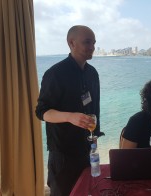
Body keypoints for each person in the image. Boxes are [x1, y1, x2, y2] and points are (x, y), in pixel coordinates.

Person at [35, 25, 103, 196]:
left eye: (94, 43)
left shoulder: (92, 73)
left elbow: (94, 108)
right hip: (63, 153)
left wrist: (95, 138)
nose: (92, 47)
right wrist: (69, 117)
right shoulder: (55, 74)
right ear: (71, 43)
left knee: (87, 190)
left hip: (87, 148)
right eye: (87, 42)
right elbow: (41, 112)